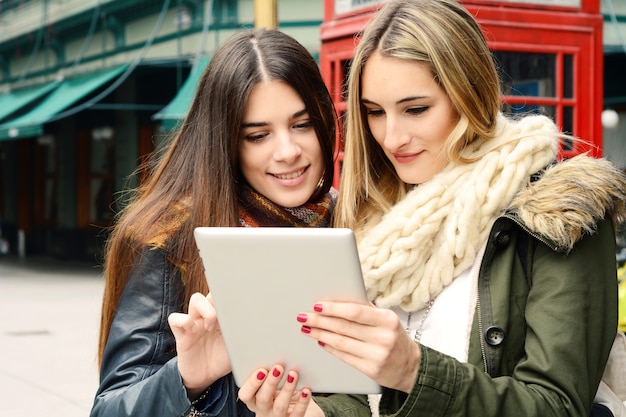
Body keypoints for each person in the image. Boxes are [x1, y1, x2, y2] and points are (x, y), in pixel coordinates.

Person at [237, 1, 626, 416]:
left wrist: (415, 370)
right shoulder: (372, 215)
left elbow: (557, 405)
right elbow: (362, 398)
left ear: (468, 93)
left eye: (416, 109)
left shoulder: (556, 213)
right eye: (373, 112)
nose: (391, 137)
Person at [89, 28, 337, 417]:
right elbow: (109, 409)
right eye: (258, 135)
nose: (288, 152)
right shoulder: (171, 239)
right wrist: (188, 379)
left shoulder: (349, 219)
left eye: (302, 125)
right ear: (225, 142)